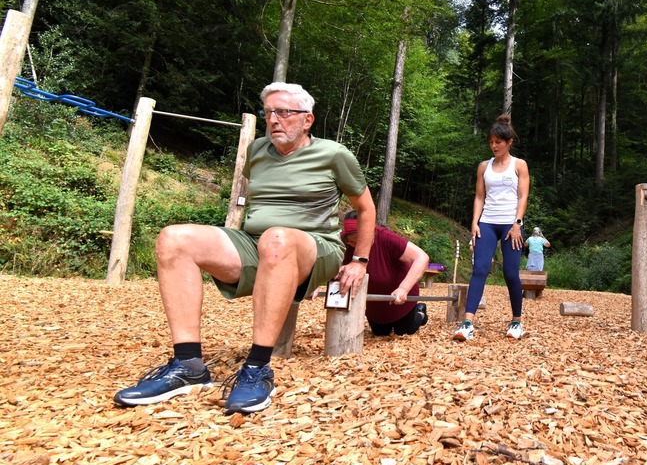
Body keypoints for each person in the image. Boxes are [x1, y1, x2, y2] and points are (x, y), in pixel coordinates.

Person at [114, 82, 376, 414]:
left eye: (283, 112)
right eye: (269, 113)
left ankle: (257, 369)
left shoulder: (335, 155)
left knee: (277, 239)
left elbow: (366, 209)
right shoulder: (256, 152)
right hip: (258, 243)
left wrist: (361, 260)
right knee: (174, 238)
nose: (273, 120)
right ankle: (188, 365)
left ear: (307, 120)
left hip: (316, 247)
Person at [453, 114, 530, 341]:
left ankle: (516, 321)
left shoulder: (519, 165)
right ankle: (467, 323)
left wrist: (517, 224)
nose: (494, 146)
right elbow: (479, 197)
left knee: (510, 274)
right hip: (487, 222)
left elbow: (523, 196)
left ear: (509, 143)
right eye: (491, 142)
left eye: (499, 142)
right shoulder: (484, 167)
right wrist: (474, 223)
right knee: (480, 270)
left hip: (510, 224)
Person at [340, 211, 430, 336]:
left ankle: (421, 311)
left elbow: (422, 257)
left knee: (404, 331)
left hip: (401, 296)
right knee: (380, 332)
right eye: (353, 243)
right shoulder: (341, 241)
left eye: (362, 242)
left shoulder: (386, 237)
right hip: (374, 303)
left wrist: (403, 289)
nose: (358, 247)